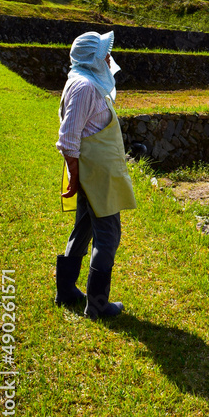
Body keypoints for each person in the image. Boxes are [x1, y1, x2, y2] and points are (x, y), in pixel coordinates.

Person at [55, 30, 137, 319]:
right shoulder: (85, 87)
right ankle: (98, 306)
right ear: (92, 57)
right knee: (108, 236)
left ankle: (66, 291)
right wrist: (76, 178)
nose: (108, 56)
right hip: (95, 175)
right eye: (104, 51)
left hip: (96, 172)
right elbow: (68, 139)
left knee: (84, 229)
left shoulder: (83, 81)